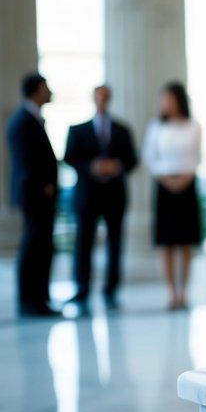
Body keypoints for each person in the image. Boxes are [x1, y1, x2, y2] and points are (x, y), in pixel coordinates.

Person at [64, 84, 138, 312]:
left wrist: (117, 165)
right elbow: (70, 157)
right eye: (99, 97)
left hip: (115, 194)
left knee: (115, 243)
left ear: (110, 99)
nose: (103, 101)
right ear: (94, 99)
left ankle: (111, 290)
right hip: (88, 194)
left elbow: (132, 160)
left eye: (106, 97)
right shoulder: (78, 130)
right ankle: (82, 289)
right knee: (84, 242)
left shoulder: (122, 130)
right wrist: (92, 167)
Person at [142, 82, 202, 309]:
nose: (165, 103)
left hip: (187, 184)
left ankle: (184, 291)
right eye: (163, 99)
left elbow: (197, 156)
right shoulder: (156, 127)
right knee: (166, 242)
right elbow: (150, 157)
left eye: (169, 98)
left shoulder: (193, 126)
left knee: (186, 242)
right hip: (164, 185)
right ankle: (170, 291)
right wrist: (167, 180)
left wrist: (185, 178)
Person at [6, 72, 61, 318]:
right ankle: (30, 301)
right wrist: (43, 185)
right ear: (37, 90)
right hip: (34, 195)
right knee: (33, 247)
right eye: (45, 87)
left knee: (41, 247)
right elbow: (25, 162)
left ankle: (40, 298)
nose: (49, 91)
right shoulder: (22, 121)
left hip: (41, 196)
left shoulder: (32, 119)